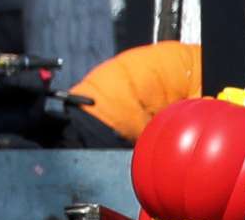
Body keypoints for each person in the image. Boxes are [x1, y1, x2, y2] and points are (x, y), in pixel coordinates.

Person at [62, 39, 205, 147]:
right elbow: (197, 130)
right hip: (113, 114)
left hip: (84, 98)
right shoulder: (207, 71)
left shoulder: (188, 54)